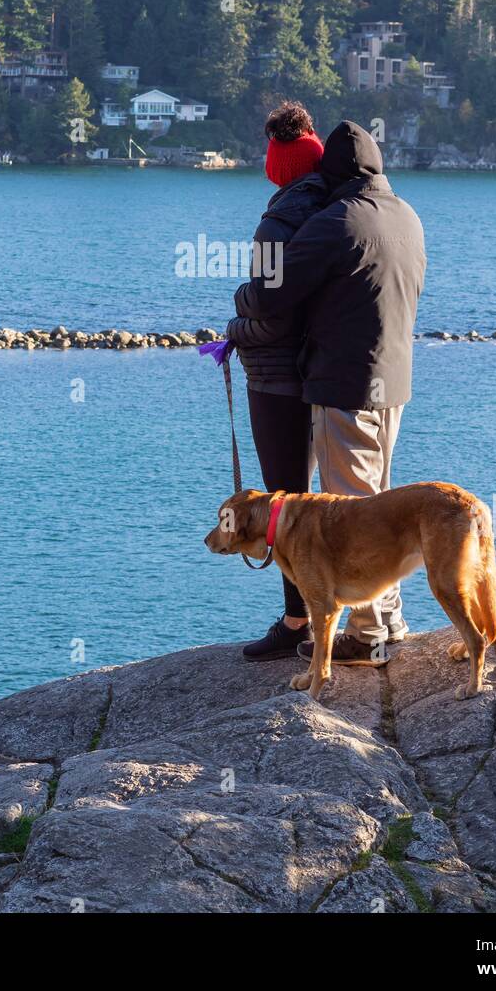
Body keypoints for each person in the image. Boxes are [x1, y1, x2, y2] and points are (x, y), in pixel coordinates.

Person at [234, 119, 426, 666]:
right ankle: (389, 620)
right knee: (382, 504)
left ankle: (366, 638)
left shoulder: (338, 220)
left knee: (355, 513)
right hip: (396, 381)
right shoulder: (407, 216)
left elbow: (270, 296)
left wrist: (237, 305)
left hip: (346, 382)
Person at [225, 101, 328, 661]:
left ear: (276, 167)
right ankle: (333, 615)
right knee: (326, 500)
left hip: (276, 381)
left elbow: (270, 313)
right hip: (327, 375)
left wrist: (235, 326)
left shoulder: (276, 223)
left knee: (283, 505)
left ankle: (297, 622)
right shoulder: (339, 207)